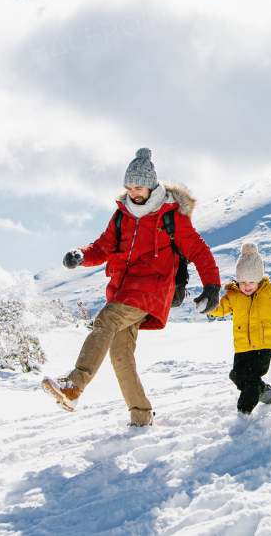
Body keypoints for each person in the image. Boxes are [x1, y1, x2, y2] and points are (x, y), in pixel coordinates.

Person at [42, 148, 222, 427]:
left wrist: (212, 286)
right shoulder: (122, 215)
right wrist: (81, 254)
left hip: (153, 289)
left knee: (106, 318)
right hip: (123, 290)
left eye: (138, 187)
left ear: (151, 185)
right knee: (121, 355)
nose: (132, 192)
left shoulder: (171, 216)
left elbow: (199, 251)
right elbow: (102, 247)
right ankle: (141, 417)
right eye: (129, 187)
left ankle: (74, 386)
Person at [208, 242, 271, 414]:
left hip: (264, 344)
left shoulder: (270, 291)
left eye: (252, 280)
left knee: (251, 379)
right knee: (237, 376)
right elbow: (219, 309)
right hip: (242, 346)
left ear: (259, 279)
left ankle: (243, 413)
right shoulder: (234, 295)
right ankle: (270, 396)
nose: (247, 285)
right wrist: (206, 305)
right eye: (242, 281)